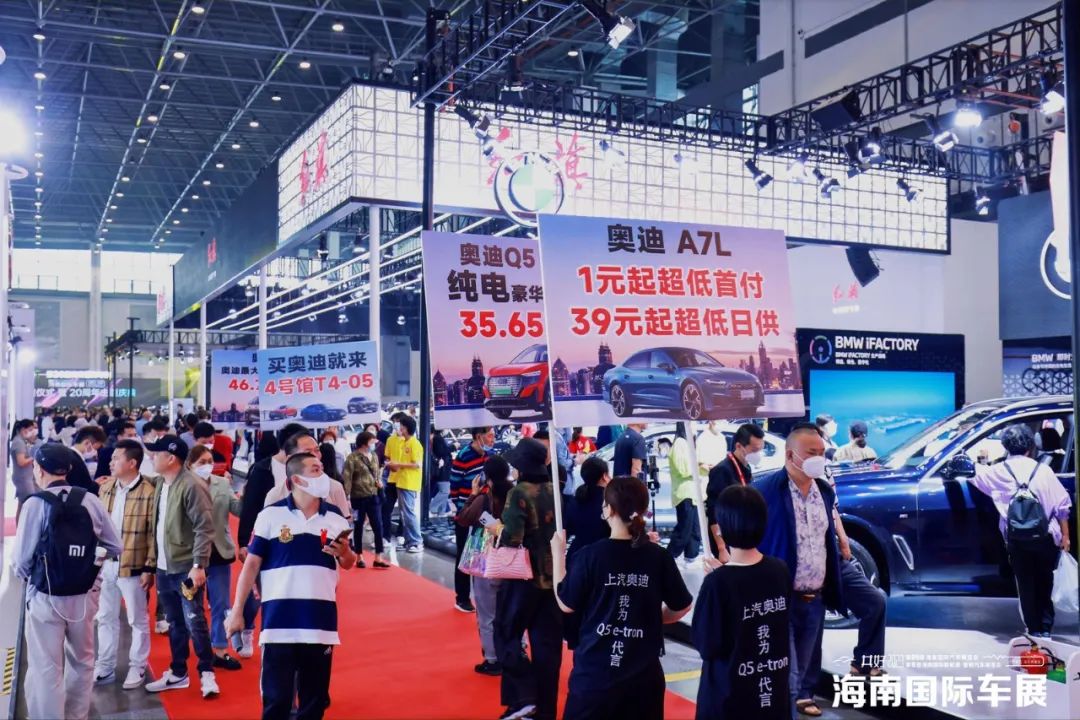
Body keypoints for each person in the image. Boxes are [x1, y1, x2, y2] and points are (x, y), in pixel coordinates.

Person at [225, 451, 357, 720]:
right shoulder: (270, 516)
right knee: (277, 701)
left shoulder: (335, 517)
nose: (323, 476)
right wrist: (237, 611)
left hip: (320, 625)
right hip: (278, 626)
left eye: (322, 469)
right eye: (315, 470)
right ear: (296, 479)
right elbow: (251, 565)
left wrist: (344, 553)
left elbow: (348, 562)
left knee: (314, 702)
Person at [551, 476, 693, 720]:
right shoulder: (658, 556)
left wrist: (557, 556)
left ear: (609, 510)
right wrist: (652, 617)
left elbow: (566, 603)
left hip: (595, 678)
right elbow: (682, 606)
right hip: (643, 681)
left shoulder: (590, 556)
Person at [13, 444, 122, 720]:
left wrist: (34, 578)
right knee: (83, 661)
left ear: (39, 469)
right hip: (84, 596)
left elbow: (21, 560)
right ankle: (77, 716)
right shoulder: (90, 500)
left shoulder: (35, 504)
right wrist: (88, 567)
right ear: (69, 469)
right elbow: (115, 546)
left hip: (46, 596)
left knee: (46, 666)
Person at [752, 424, 844, 719]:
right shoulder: (765, 491)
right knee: (787, 677)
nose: (819, 458)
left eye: (821, 452)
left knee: (803, 668)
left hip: (814, 596)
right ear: (790, 455)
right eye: (811, 453)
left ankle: (801, 699)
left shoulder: (824, 492)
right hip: (780, 597)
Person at [692, 485, 791, 719]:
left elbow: (706, 644)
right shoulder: (779, 570)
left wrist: (717, 578)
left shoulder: (718, 583)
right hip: (772, 695)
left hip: (729, 700)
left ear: (722, 528)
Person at [968, 424, 1072, 637]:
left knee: (1025, 583)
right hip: (1045, 536)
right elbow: (1062, 506)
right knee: (1045, 581)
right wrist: (1066, 536)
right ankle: (1046, 628)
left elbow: (975, 477)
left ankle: (1033, 629)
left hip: (1016, 538)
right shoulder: (1043, 470)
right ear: (1030, 447)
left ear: (1006, 446)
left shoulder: (997, 471)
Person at [142, 435, 221, 698]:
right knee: (174, 621)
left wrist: (198, 565)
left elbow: (204, 528)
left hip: (186, 567)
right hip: (164, 568)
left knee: (194, 620)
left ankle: (207, 673)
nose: (152, 457)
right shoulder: (162, 484)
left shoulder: (192, 486)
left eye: (156, 454)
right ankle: (178, 672)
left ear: (171, 458)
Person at [489, 438, 561, 720]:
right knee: (547, 649)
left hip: (523, 578)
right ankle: (545, 711)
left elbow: (512, 537)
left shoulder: (519, 492)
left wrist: (496, 529)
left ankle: (524, 697)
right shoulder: (554, 491)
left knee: (505, 633)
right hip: (553, 579)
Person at [94, 439, 157, 690]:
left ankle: (137, 665)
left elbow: (153, 534)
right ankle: (105, 665)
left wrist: (149, 567)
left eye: (116, 458)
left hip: (133, 565)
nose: (111, 462)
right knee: (105, 617)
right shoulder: (106, 488)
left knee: (137, 619)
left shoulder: (149, 492)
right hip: (105, 565)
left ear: (132, 463)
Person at [185, 445, 245, 670]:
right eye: (202, 462)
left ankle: (219, 649)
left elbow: (237, 509)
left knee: (221, 603)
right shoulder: (183, 485)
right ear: (190, 464)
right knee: (191, 604)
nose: (207, 465)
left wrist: (246, 495)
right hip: (190, 553)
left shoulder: (222, 483)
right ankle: (195, 647)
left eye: (210, 461)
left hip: (219, 551)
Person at [456, 455, 514, 676]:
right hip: (512, 561)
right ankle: (515, 650)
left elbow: (463, 518)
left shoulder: (484, 499)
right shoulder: (516, 494)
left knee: (487, 612)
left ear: (486, 477)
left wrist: (472, 494)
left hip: (486, 561)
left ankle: (492, 658)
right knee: (510, 610)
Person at [449, 426, 496, 612]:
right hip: (466, 512)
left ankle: (482, 596)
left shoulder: (489, 456)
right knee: (464, 553)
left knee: (482, 551)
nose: (493, 439)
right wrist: (462, 511)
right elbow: (454, 486)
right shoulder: (463, 456)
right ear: (478, 436)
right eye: (490, 436)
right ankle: (462, 597)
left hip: (485, 513)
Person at [706, 423, 765, 561]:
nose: (758, 454)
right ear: (739, 446)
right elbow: (713, 511)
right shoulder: (722, 471)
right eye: (754, 450)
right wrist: (721, 548)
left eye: (760, 450)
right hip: (727, 539)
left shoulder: (746, 468)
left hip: (744, 535)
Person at [341, 431, 390, 568]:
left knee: (378, 526)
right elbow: (347, 478)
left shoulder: (374, 455)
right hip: (358, 498)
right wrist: (347, 497)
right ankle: (359, 556)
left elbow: (376, 473)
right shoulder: (352, 458)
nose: (374, 443)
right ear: (364, 443)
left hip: (373, 495)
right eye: (371, 441)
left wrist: (379, 483)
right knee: (358, 527)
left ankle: (378, 557)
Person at [386, 416, 424, 554]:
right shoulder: (404, 442)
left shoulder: (415, 443)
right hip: (401, 481)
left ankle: (416, 541)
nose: (399, 428)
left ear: (406, 428)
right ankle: (409, 541)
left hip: (409, 482)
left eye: (401, 426)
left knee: (409, 513)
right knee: (404, 514)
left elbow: (417, 464)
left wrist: (398, 464)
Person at [667, 424, 701, 564]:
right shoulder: (680, 443)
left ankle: (691, 558)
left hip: (692, 493)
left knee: (694, 530)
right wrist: (700, 466)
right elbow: (683, 469)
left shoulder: (687, 443)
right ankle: (668, 557)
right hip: (685, 493)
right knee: (684, 530)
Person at [380, 412, 408, 546]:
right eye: (394, 422)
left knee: (405, 510)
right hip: (392, 479)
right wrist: (389, 464)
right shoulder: (390, 440)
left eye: (398, 422)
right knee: (386, 508)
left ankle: (401, 534)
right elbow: (387, 457)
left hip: (405, 480)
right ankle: (385, 536)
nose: (396, 425)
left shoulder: (410, 440)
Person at [66, 425, 106, 495]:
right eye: (96, 449)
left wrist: (94, 483)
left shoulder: (70, 455)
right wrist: (97, 485)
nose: (96, 453)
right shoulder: (76, 461)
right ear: (87, 443)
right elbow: (81, 489)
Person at [10, 418, 40, 513]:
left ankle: (20, 522)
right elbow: (21, 462)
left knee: (22, 503)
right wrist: (34, 457)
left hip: (24, 476)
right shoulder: (19, 442)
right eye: (30, 429)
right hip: (23, 478)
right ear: (23, 429)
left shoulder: (21, 441)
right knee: (27, 504)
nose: (32, 432)